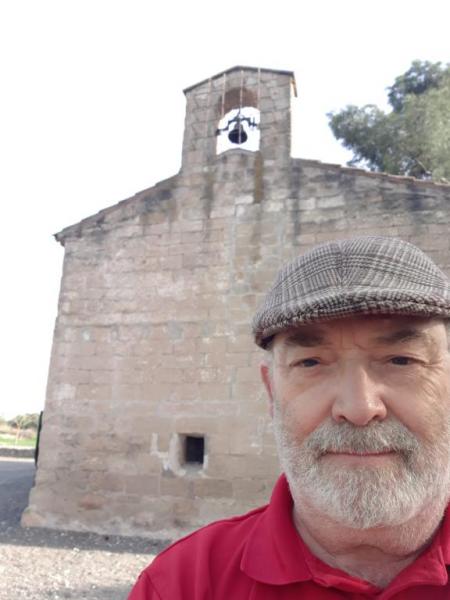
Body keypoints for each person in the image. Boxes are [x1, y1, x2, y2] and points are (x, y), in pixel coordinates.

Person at [128, 236, 450, 599]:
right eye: (310, 363)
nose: (358, 409)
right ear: (272, 392)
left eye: (402, 360)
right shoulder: (182, 584)